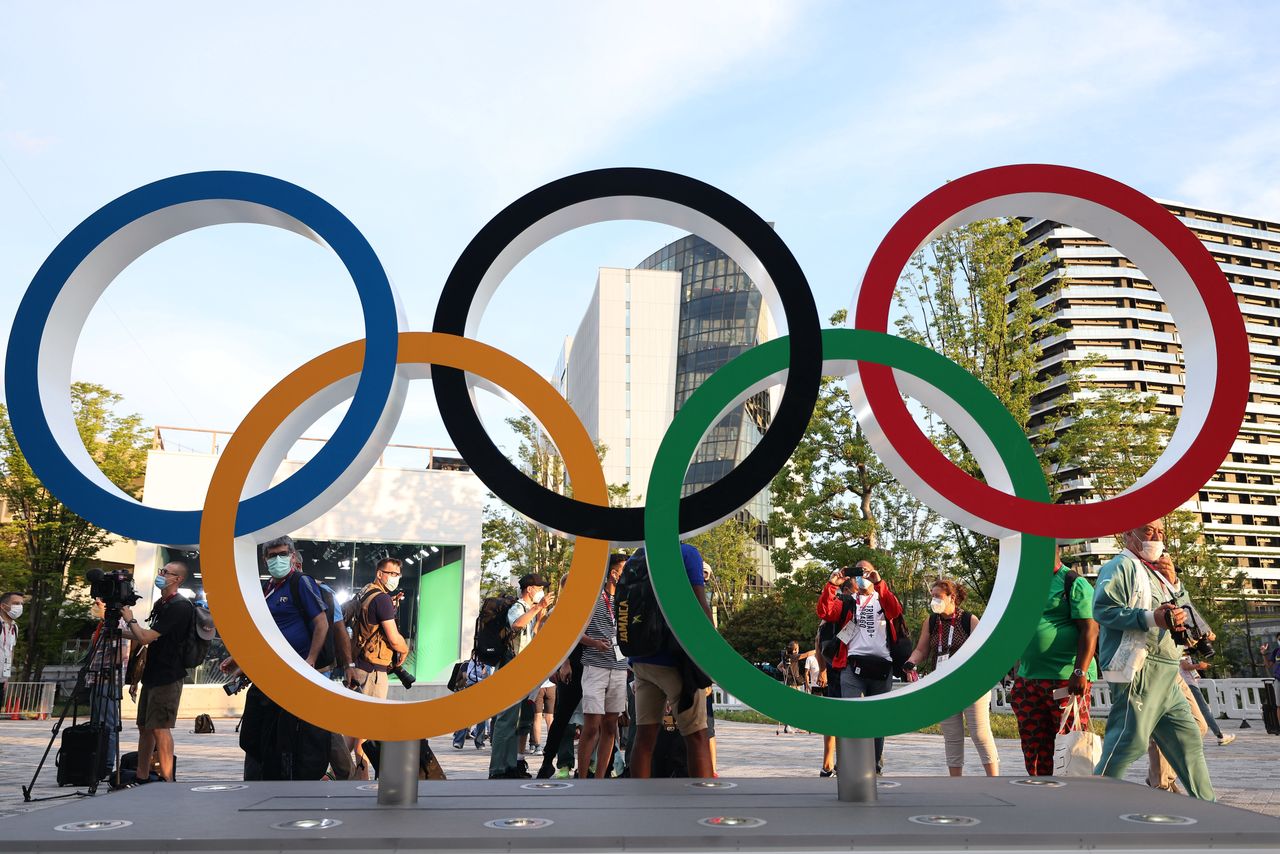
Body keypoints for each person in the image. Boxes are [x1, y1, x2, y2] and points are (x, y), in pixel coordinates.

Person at [1093, 519, 1214, 800]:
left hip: (1169, 671)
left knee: (1188, 740)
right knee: (1128, 742)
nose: (1156, 538)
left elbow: (1183, 612)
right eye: (1148, 531)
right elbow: (1102, 610)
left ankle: (1209, 808)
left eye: (1160, 532)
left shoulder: (1159, 573)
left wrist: (1175, 584)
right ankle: (1093, 802)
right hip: (1140, 670)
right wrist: (1151, 617)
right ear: (1128, 534)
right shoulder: (1118, 567)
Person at [221, 537, 332, 781]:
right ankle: (261, 783)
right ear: (264, 559)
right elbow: (263, 632)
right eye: (272, 555)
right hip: (268, 675)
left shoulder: (301, 582)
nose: (277, 559)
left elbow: (321, 623)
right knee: (255, 736)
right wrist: (239, 659)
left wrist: (310, 660)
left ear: (292, 555)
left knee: (287, 740)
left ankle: (290, 783)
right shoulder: (268, 588)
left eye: (282, 553)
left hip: (295, 675)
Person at [1010, 546, 1099, 776]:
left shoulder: (1073, 583)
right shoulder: (1023, 584)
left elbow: (1090, 629)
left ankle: (1073, 797)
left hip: (1065, 679)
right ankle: (1041, 792)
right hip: (1029, 678)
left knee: (1070, 744)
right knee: (1034, 746)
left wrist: (1079, 672)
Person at [629, 543, 715, 779]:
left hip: (642, 659)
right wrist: (714, 650)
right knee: (697, 736)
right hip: (675, 660)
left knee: (644, 738)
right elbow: (699, 604)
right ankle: (704, 804)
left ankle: (640, 804)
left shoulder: (637, 557)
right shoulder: (686, 554)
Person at [815, 560, 904, 775]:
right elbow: (825, 612)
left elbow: (895, 611)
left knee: (877, 719)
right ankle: (848, 765)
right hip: (851, 666)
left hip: (882, 666)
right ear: (853, 577)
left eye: (866, 571)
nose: (862, 576)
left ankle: (874, 764)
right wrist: (831, 585)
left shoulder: (883, 598)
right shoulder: (848, 601)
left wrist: (880, 583)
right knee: (850, 716)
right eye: (859, 572)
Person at [904, 578, 999, 776]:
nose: (933, 601)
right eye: (932, 597)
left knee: (979, 733)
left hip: (971, 685)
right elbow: (921, 649)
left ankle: (994, 779)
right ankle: (956, 781)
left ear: (952, 598)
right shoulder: (931, 621)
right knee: (952, 736)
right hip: (944, 685)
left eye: (938, 597)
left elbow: (984, 651)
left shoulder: (969, 620)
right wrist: (911, 662)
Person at [119, 561, 195, 786]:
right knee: (145, 727)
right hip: (152, 674)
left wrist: (130, 618)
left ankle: (167, 780)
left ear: (177, 579)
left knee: (161, 728)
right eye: (161, 571)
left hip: (168, 675)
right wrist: (119, 631)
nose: (160, 575)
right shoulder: (163, 603)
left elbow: (146, 638)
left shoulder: (180, 606)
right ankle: (142, 776)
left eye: (165, 573)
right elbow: (146, 634)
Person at [489, 572, 550, 779]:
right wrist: (537, 608)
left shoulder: (531, 610)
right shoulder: (517, 607)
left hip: (523, 670)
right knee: (506, 720)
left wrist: (540, 615)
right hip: (510, 669)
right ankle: (498, 768)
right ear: (530, 589)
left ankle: (509, 765)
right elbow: (517, 625)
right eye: (540, 588)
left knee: (516, 721)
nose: (542, 592)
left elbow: (534, 635)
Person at [576, 552, 628, 778]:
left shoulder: (626, 600)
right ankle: (583, 776)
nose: (629, 575)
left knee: (610, 725)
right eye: (625, 570)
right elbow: (575, 632)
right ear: (613, 573)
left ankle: (600, 777)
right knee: (592, 724)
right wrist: (594, 643)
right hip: (595, 666)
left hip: (619, 667)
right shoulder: (593, 598)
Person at [348, 558, 410, 700]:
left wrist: (391, 604)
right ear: (379, 574)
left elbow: (370, 619)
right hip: (372, 672)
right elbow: (394, 640)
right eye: (391, 573)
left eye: (397, 575)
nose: (395, 578)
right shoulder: (382, 599)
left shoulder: (366, 591)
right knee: (370, 719)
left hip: (359, 665)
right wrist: (405, 649)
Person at [452, 656, 496, 749]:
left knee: (482, 718)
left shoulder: (488, 665)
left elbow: (489, 677)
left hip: (483, 691)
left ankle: (479, 742)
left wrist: (486, 671)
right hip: (471, 689)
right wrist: (481, 680)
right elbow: (467, 676)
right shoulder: (470, 663)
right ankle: (459, 741)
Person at [0, 592, 24, 714]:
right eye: (15, 603)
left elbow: (10, 651)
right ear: (3, 606)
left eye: (21, 604)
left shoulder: (15, 628)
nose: (19, 607)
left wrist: (6, 677)